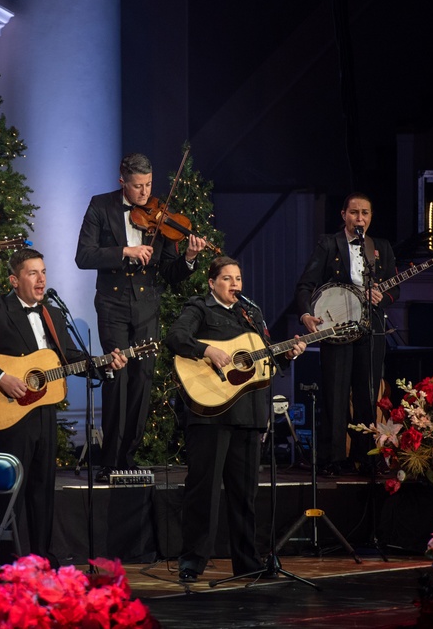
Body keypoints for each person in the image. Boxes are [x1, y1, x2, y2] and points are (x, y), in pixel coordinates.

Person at [0, 248, 127, 563]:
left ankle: (40, 559)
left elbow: (70, 358)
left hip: (45, 410)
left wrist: (105, 364)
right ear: (14, 279)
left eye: (43, 272)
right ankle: (7, 563)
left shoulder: (53, 314)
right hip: (11, 412)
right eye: (32, 273)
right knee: (12, 491)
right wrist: (2, 379)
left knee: (43, 489)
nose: (41, 278)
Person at [165, 256, 305, 582]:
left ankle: (247, 561)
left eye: (238, 278)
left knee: (245, 494)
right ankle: (192, 561)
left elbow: (264, 363)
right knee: (204, 490)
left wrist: (286, 353)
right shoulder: (199, 308)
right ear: (212, 282)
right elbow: (175, 337)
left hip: (248, 413)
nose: (234, 285)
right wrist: (206, 350)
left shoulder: (251, 313)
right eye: (227, 279)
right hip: (210, 413)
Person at [75, 152, 206, 482]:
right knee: (116, 377)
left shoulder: (159, 216)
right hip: (112, 304)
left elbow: (170, 272)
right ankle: (109, 460)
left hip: (147, 307)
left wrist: (189, 259)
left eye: (148, 185)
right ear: (123, 182)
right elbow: (83, 256)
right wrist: (124, 252)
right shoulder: (100, 206)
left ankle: (128, 457)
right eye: (137, 187)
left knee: (142, 382)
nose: (145, 194)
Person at [294, 192, 398, 476]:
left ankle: (367, 457)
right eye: (354, 212)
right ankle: (332, 457)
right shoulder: (329, 244)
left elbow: (395, 289)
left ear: (371, 216)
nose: (360, 218)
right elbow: (305, 284)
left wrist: (382, 296)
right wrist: (306, 314)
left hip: (371, 329)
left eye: (365, 213)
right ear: (343, 215)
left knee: (367, 395)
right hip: (338, 327)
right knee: (335, 394)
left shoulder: (382, 247)